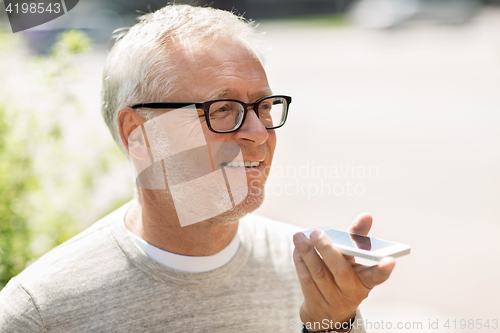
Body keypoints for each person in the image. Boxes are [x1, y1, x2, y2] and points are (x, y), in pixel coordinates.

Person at [0, 4, 395, 332]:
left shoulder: (308, 273)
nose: (259, 133)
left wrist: (332, 324)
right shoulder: (40, 312)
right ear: (138, 135)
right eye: (223, 110)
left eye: (263, 106)